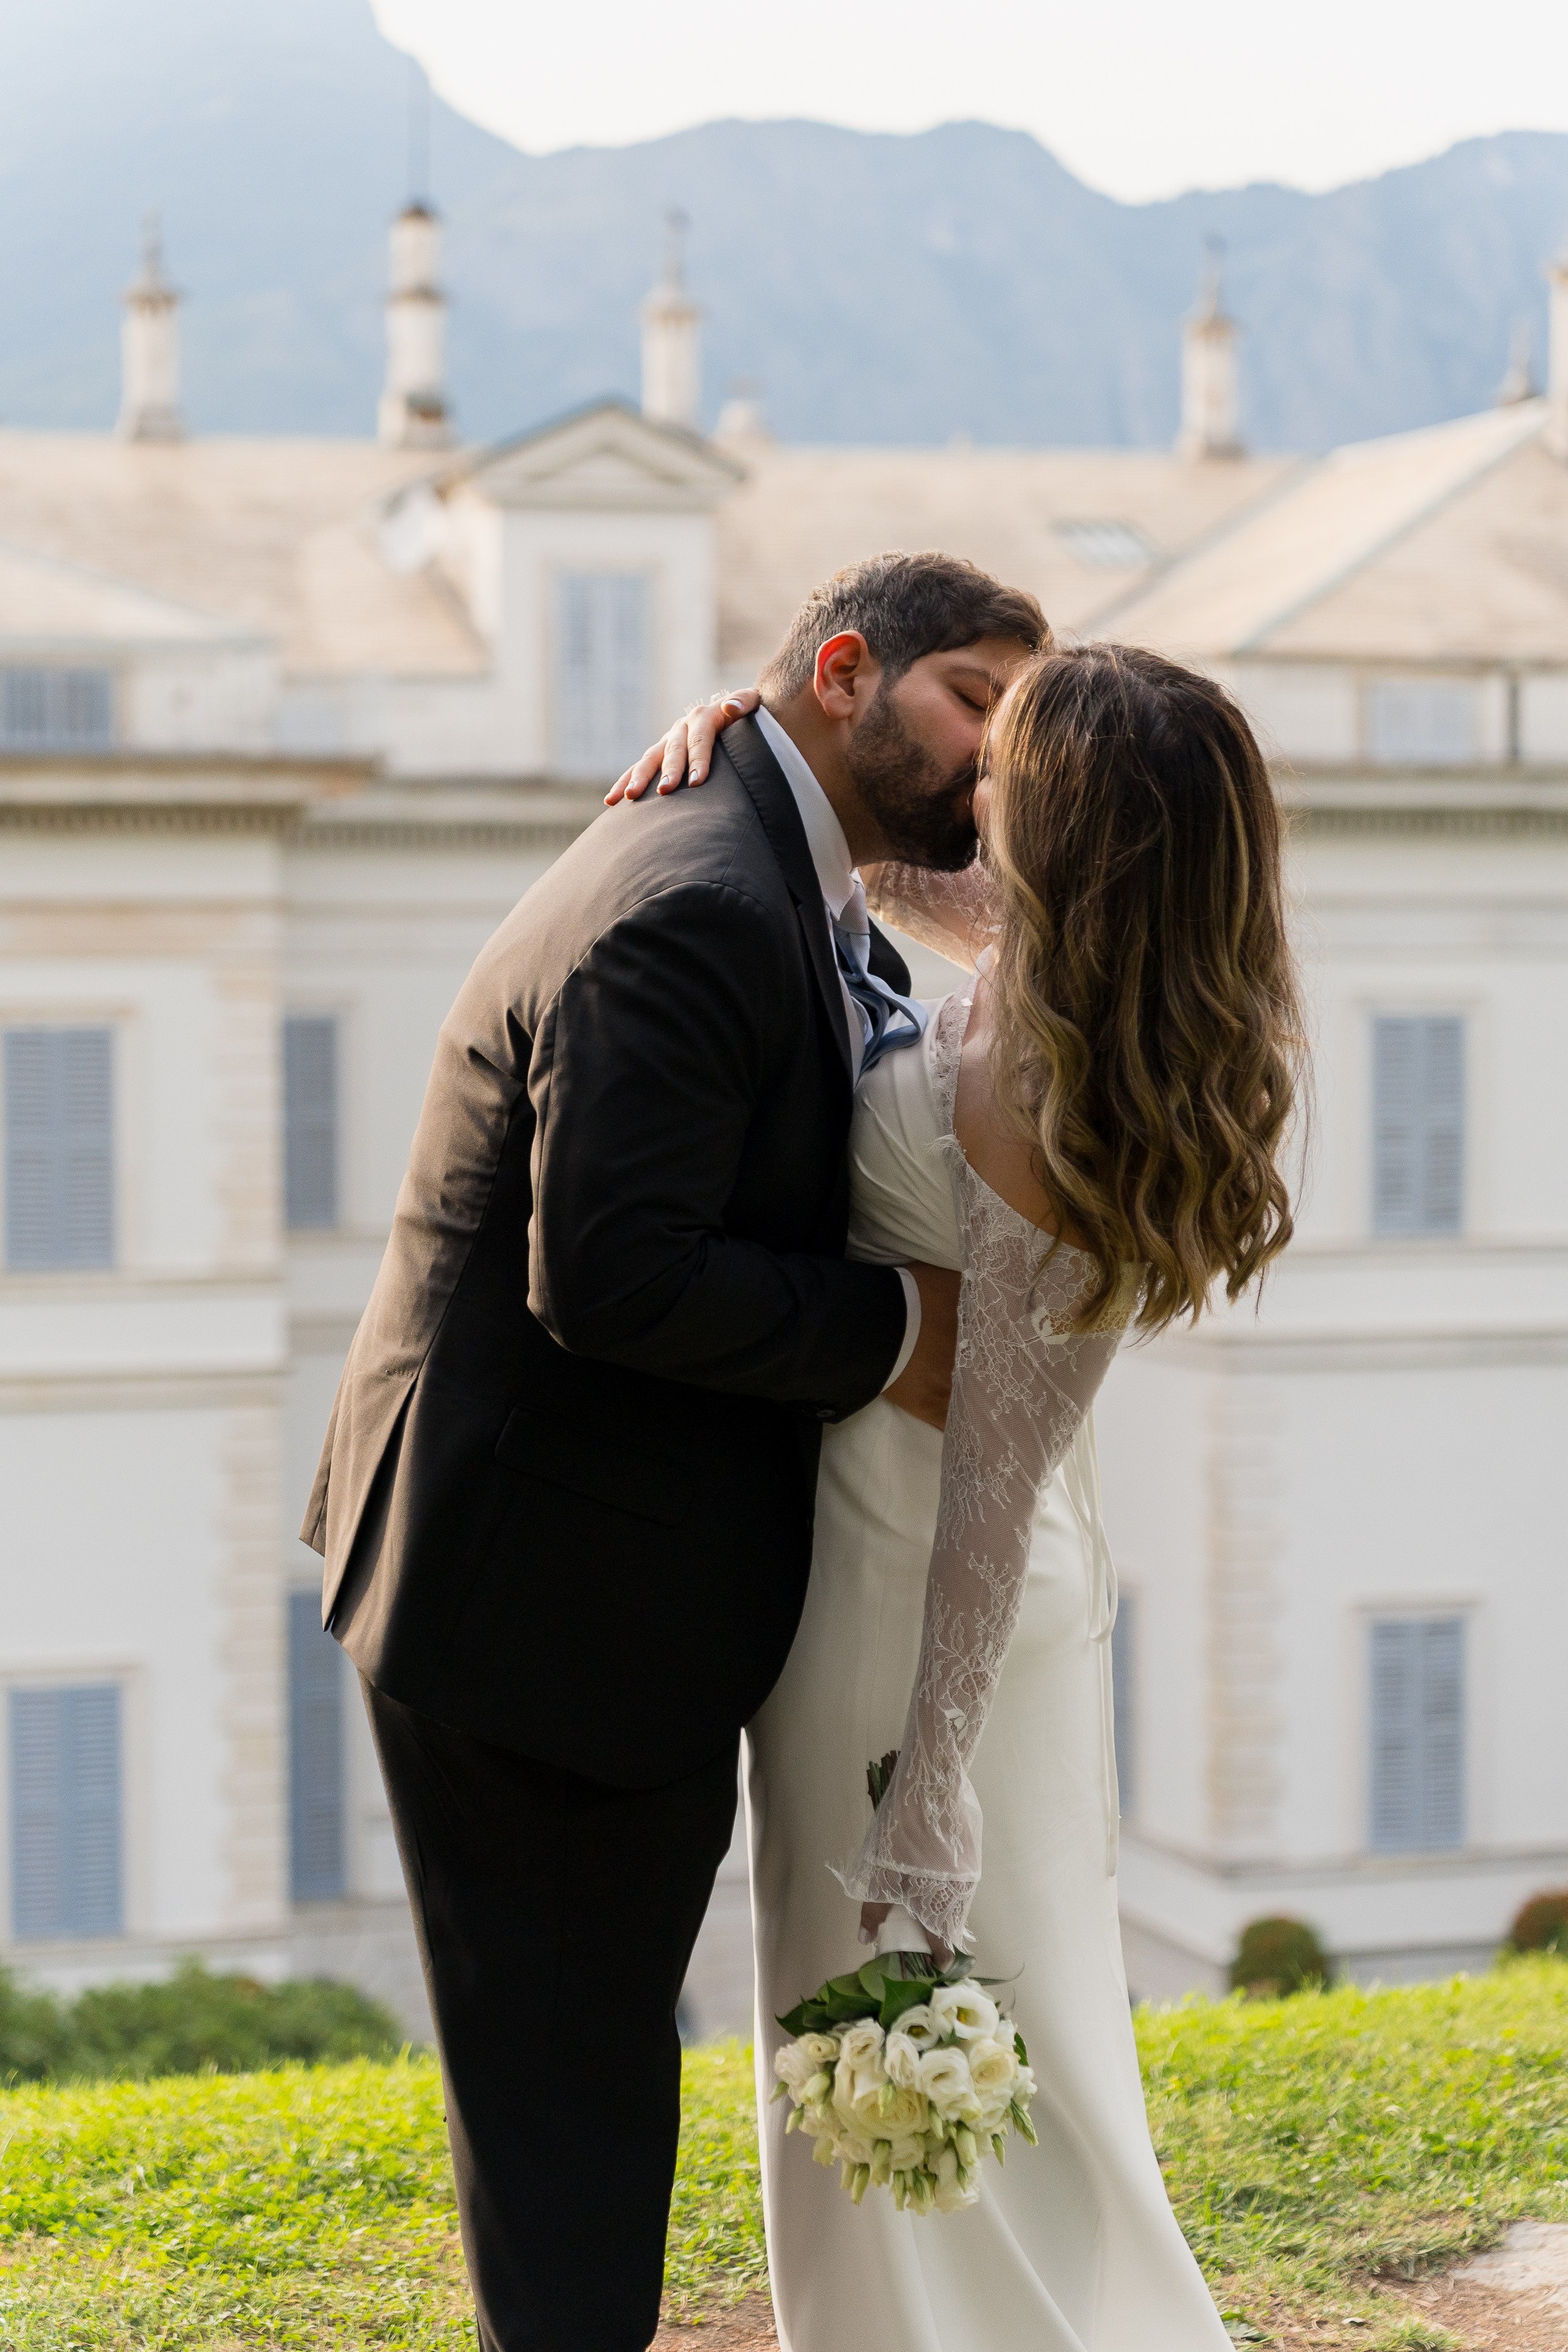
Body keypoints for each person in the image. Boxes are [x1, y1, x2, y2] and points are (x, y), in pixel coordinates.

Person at [300, 550, 1048, 2352]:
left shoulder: (754, 836)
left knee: (580, 2072)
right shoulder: (703, 891)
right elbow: (613, 1276)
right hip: (537, 1592)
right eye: (973, 703)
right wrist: (904, 1330)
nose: (991, 758)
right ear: (845, 673)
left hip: (572, 1562)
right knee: (570, 2095)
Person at [612, 638, 1303, 2351]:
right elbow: (872, 863)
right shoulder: (1054, 964)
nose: (970, 775)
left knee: (914, 2014)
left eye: (1005, 760)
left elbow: (989, 1485)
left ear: (1072, 820)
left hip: (921, 1595)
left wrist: (928, 1784)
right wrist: (744, 737)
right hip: (934, 1570)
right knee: (990, 2028)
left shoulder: (1050, 1076)